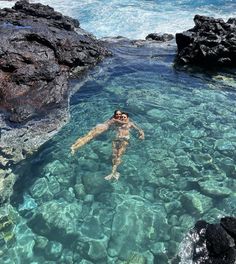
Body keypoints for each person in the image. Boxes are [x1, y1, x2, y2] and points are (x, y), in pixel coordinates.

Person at [105, 112, 144, 181]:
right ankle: (114, 172)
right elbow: (109, 123)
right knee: (114, 155)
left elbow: (139, 130)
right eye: (121, 117)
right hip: (116, 140)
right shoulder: (117, 124)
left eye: (124, 117)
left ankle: (113, 172)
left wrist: (142, 135)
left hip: (124, 141)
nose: (123, 118)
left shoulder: (130, 124)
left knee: (119, 155)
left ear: (127, 118)